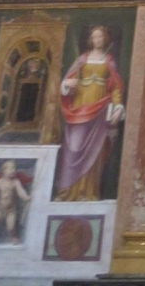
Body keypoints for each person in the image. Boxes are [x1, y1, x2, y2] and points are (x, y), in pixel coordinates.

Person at [55, 25, 124, 201]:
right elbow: (68, 81)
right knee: (73, 147)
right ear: (90, 40)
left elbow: (116, 87)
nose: (97, 40)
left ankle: (87, 192)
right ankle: (67, 191)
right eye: (94, 37)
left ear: (105, 39)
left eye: (100, 37)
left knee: (94, 150)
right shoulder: (82, 59)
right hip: (80, 105)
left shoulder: (109, 61)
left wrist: (117, 107)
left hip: (100, 109)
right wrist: (66, 85)